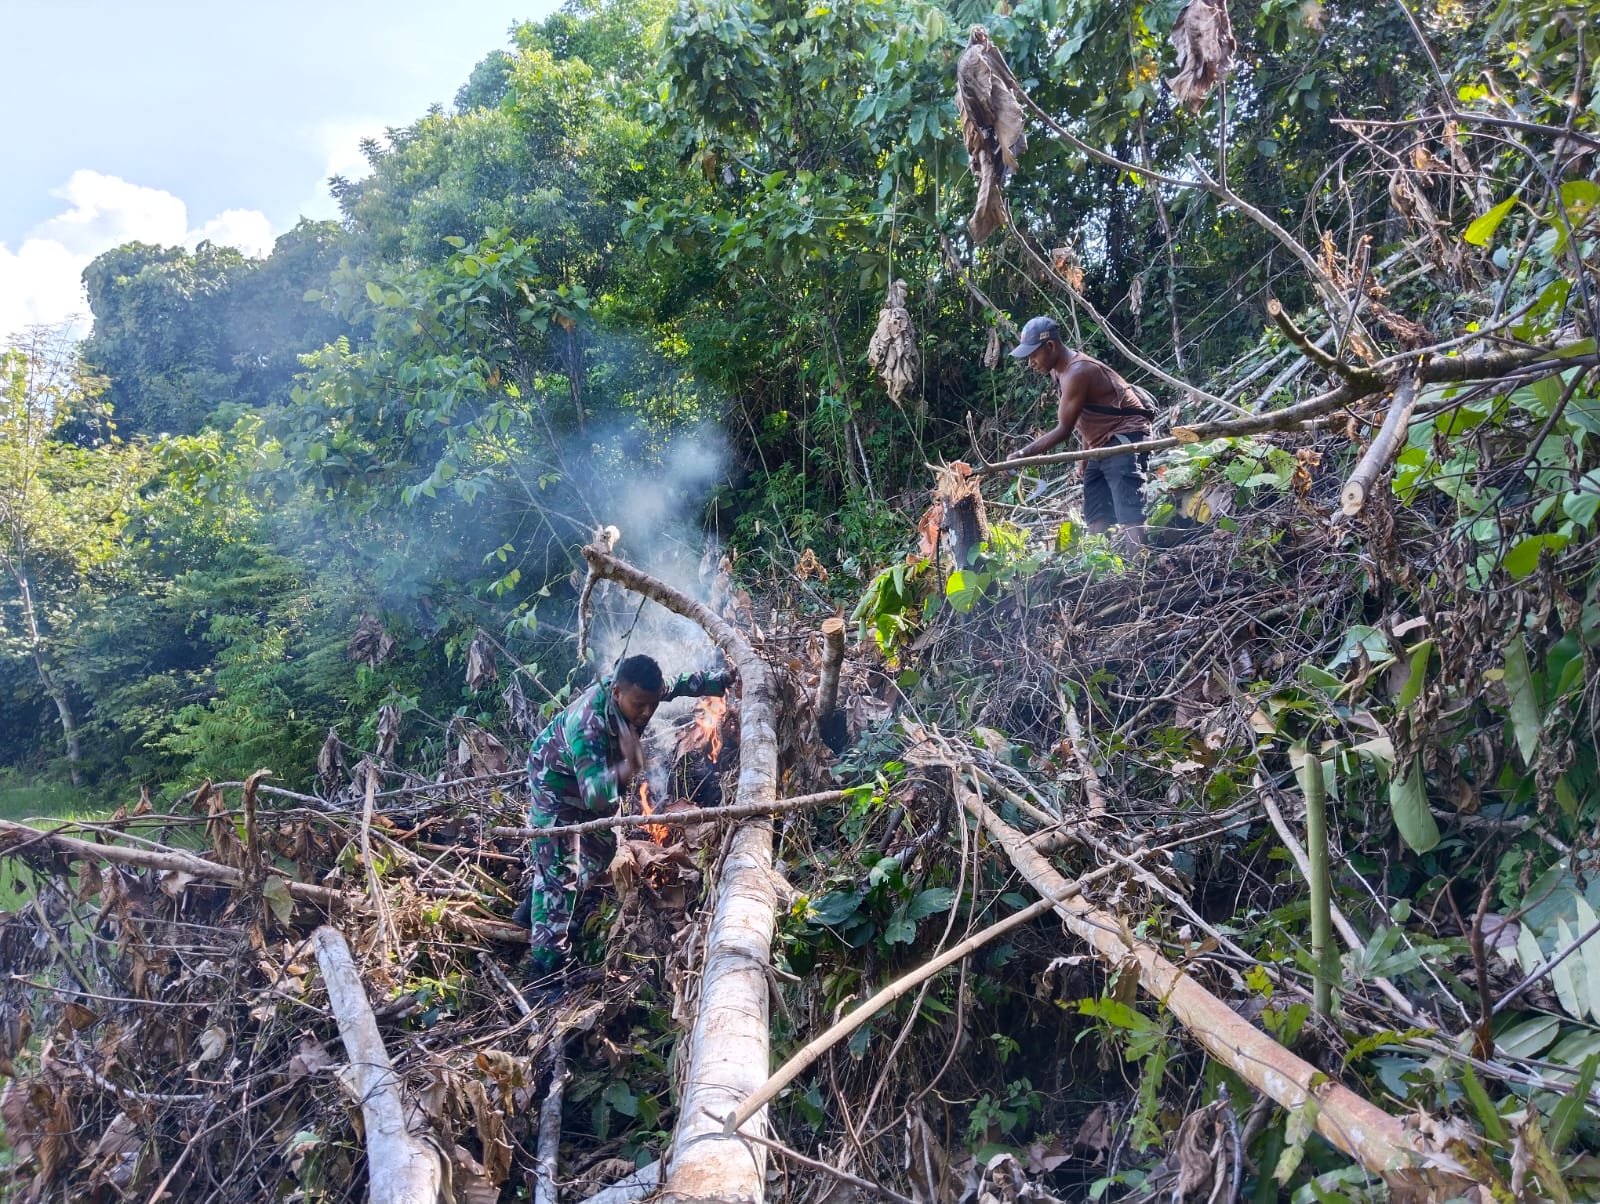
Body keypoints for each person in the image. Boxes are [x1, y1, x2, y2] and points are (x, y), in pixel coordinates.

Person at [517, 653, 734, 978]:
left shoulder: (645, 691)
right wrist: (629, 767)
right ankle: (545, 969)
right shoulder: (588, 725)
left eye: (651, 703)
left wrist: (723, 680)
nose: (646, 712)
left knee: (604, 848)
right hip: (555, 777)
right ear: (617, 693)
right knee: (560, 868)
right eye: (638, 705)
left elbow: (682, 683)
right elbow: (592, 796)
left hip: (599, 774)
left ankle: (538, 907)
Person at [1008, 315, 1154, 543]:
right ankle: (1104, 572)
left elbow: (1064, 429)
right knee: (1096, 513)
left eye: (1032, 355)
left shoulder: (1078, 372)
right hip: (1101, 441)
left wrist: (1022, 455)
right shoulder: (1059, 370)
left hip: (1125, 436)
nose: (1031, 363)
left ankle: (1142, 572)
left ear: (1050, 346)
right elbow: (1088, 415)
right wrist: (1084, 457)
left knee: (1129, 511)